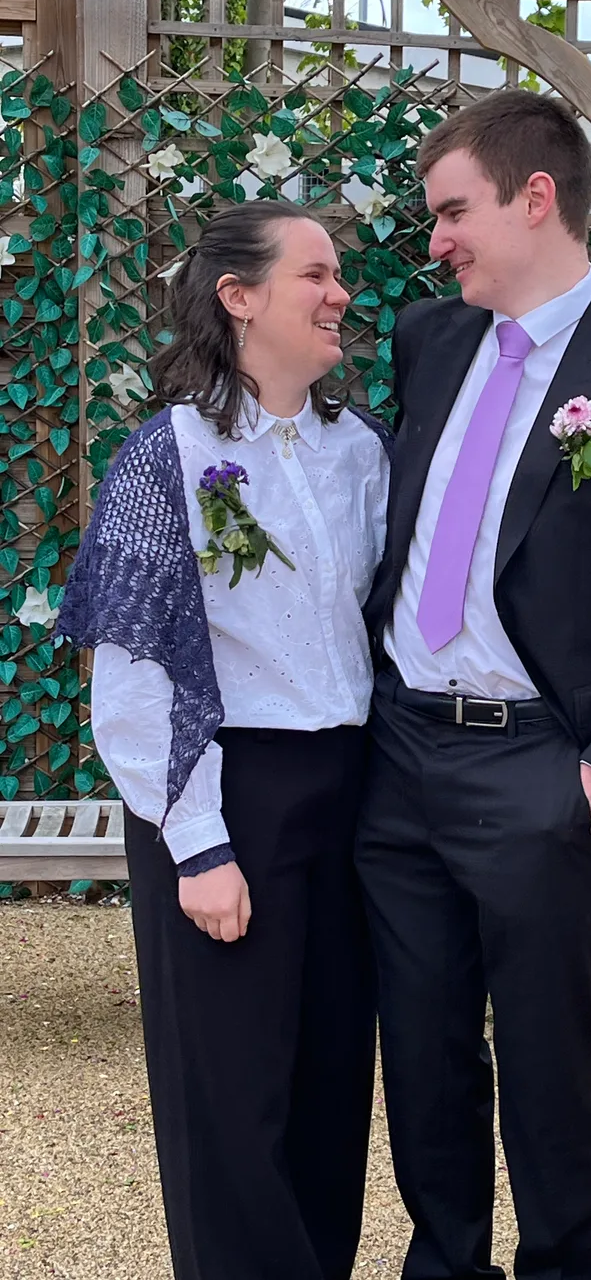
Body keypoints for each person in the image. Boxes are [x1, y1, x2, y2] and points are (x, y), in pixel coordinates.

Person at [356, 89, 591, 1280]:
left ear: (534, 199)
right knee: (422, 1056)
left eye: (452, 211)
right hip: (399, 755)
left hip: (538, 769)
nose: (435, 240)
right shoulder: (429, 340)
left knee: (546, 1060)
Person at [57, 200, 391, 1280]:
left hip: (350, 790)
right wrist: (196, 839)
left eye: (338, 274)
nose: (340, 293)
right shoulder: (168, 455)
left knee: (331, 1077)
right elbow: (133, 666)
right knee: (229, 1092)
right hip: (225, 788)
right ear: (238, 296)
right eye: (315, 275)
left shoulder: (361, 452)